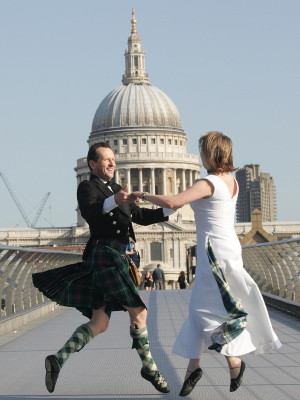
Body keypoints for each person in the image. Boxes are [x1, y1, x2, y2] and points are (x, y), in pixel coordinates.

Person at [132, 131, 281, 396]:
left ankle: (233, 362)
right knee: (201, 307)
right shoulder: (231, 181)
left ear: (209, 153)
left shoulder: (208, 182)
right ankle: (194, 367)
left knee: (207, 309)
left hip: (212, 252)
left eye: (202, 150)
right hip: (228, 247)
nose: (199, 155)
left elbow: (174, 202)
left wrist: (143, 195)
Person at [32, 142, 173, 394]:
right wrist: (114, 200)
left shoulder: (117, 188)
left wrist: (168, 208)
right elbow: (91, 212)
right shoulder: (87, 187)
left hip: (118, 256)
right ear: (92, 164)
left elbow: (139, 216)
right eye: (106, 159)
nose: (112, 162)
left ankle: (58, 359)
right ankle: (149, 368)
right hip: (106, 254)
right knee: (139, 312)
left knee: (100, 322)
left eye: (113, 158)